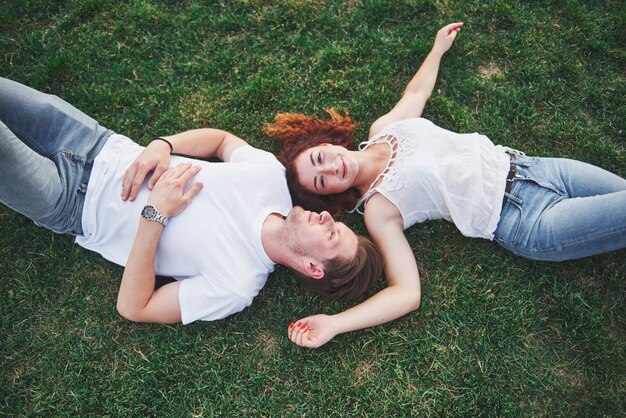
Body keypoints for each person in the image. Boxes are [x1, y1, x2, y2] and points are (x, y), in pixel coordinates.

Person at [266, 23, 626, 347]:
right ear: (327, 197)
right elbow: (407, 292)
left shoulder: (383, 130)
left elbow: (415, 95)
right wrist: (336, 324)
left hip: (538, 169)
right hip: (526, 221)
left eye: (319, 159)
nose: (330, 167)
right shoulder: (379, 208)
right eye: (321, 181)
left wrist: (437, 50)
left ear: (326, 145)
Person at [0, 77, 384, 325]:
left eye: (333, 237)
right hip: (94, 141)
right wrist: (162, 144)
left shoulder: (237, 284)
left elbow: (135, 308)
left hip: (70, 204)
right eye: (340, 226)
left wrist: (156, 216)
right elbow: (220, 141)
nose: (329, 220)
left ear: (313, 267)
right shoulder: (269, 177)